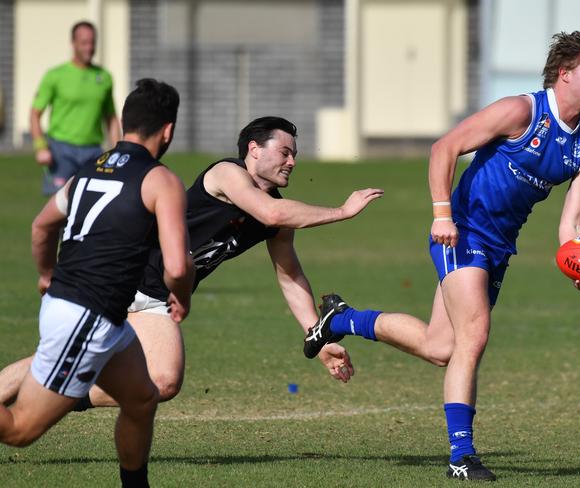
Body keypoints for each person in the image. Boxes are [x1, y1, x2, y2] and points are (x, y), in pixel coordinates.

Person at [303, 31, 580, 481]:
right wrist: (441, 215)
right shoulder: (521, 111)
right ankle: (461, 457)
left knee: (440, 346)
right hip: (461, 233)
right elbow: (443, 148)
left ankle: (342, 319)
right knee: (475, 334)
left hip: (499, 248)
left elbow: (572, 227)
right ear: (565, 74)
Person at [0, 116, 383, 410]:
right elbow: (272, 212)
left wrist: (317, 337)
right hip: (124, 278)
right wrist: (342, 211)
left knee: (163, 382)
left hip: (159, 297)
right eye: (285, 151)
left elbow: (290, 276)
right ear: (254, 149)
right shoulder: (227, 174)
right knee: (58, 359)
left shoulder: (276, 212)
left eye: (295, 154)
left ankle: (54, 400)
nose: (293, 161)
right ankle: (42, 396)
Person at [0, 78, 195, 488]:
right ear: (168, 131)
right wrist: (180, 295)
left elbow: (41, 227)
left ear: (124, 123)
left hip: (93, 313)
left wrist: (46, 273)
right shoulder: (161, 180)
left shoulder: (89, 170)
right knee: (19, 430)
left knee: (141, 399)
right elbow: (176, 266)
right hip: (87, 316)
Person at [31, 21, 120, 195]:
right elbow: (35, 114)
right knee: (59, 209)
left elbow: (111, 117)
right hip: (61, 152)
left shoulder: (104, 77)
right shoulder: (55, 76)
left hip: (93, 152)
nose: (89, 47)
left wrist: (117, 150)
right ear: (73, 43)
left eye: (92, 42)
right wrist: (41, 146)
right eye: (84, 43)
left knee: (91, 205)